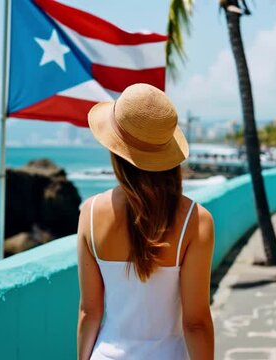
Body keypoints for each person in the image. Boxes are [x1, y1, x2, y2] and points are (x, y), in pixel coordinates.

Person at [76, 83, 215, 360]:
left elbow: (89, 313)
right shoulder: (195, 221)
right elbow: (196, 323)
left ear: (116, 152)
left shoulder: (90, 213)